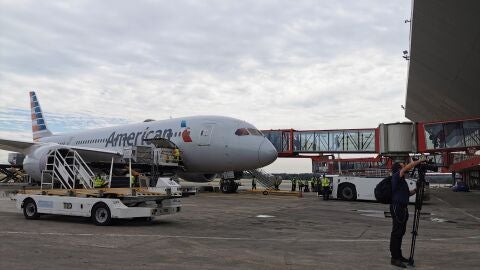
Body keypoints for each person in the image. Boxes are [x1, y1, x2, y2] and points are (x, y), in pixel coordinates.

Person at [389, 158, 423, 268]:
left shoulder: (402, 180)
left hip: (403, 208)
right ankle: (394, 258)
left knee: (401, 232)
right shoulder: (396, 176)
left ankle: (398, 255)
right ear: (399, 168)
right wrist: (419, 161)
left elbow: (407, 194)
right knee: (396, 233)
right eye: (402, 165)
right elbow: (407, 168)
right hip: (397, 207)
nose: (405, 166)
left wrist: (416, 190)